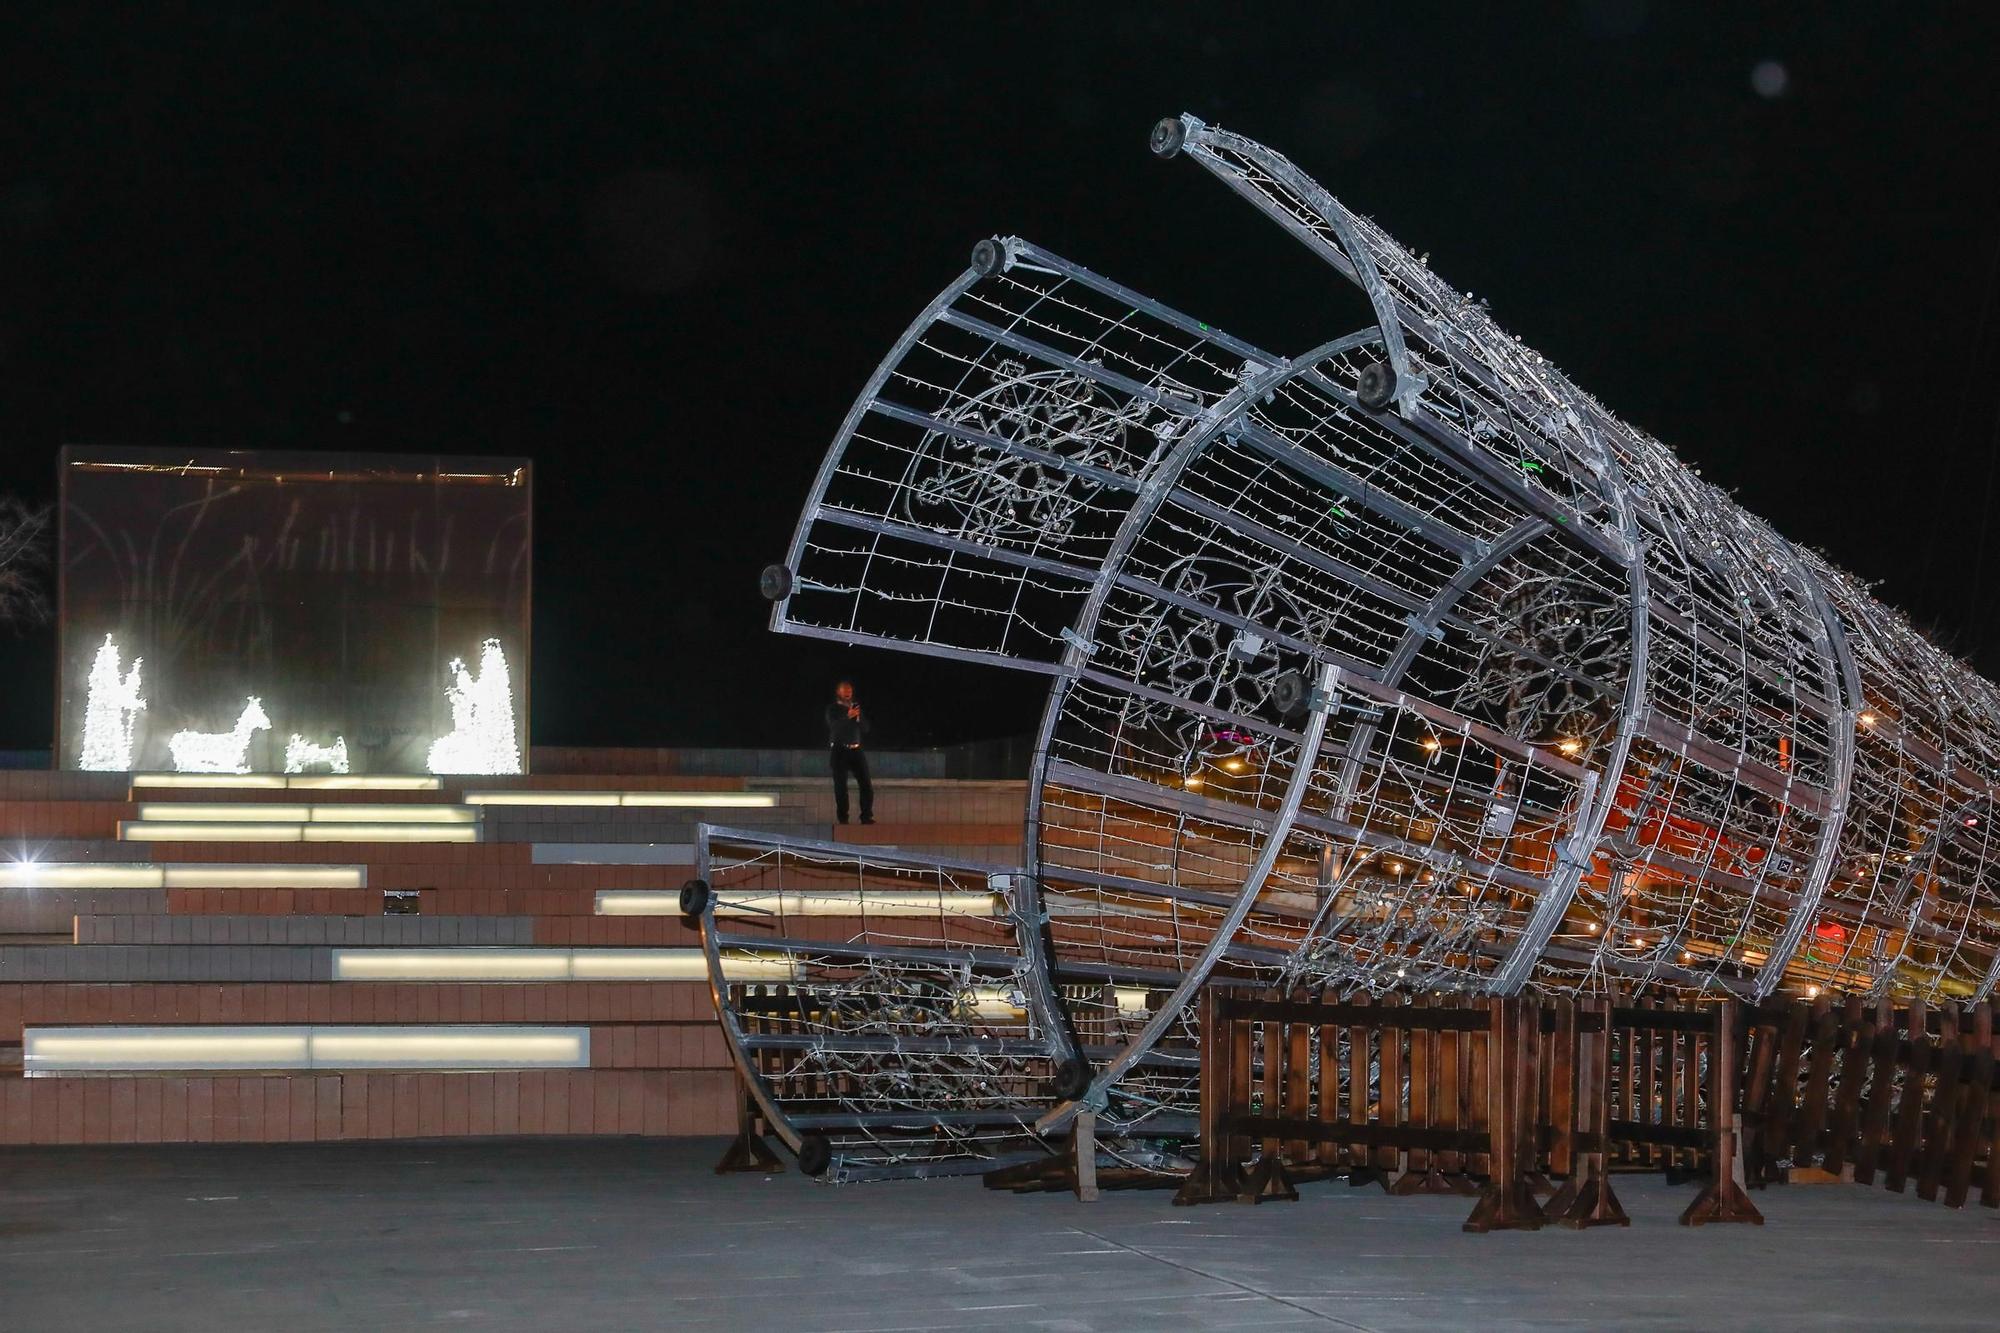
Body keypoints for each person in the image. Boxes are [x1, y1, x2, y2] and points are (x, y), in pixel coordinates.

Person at [825, 679, 874, 824]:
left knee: (866, 784)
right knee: (841, 786)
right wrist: (848, 716)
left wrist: (857, 717)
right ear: (838, 692)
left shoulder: (855, 709)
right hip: (839, 750)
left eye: (850, 691)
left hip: (856, 749)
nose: (848, 693)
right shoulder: (832, 709)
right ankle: (843, 818)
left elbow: (865, 728)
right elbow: (833, 726)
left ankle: (866, 816)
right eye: (845, 690)